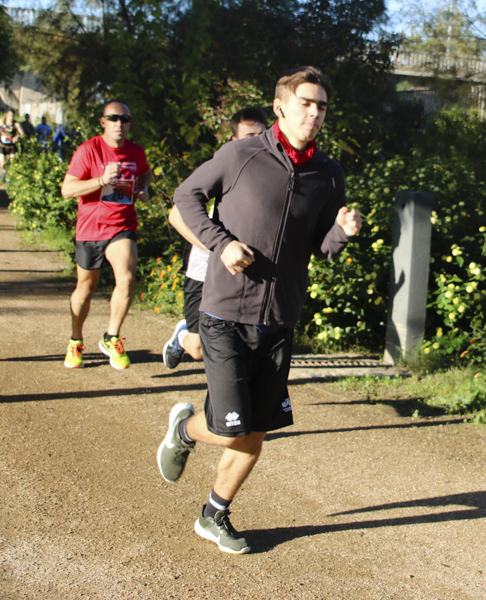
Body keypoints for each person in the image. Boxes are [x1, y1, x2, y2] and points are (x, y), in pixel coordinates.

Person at [157, 67, 363, 554]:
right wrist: (220, 243)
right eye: (306, 103)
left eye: (322, 107)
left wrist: (343, 233)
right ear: (281, 106)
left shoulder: (328, 173)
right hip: (225, 310)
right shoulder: (241, 154)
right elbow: (185, 197)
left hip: (279, 318)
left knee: (256, 433)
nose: (314, 113)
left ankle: (214, 514)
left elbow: (320, 246)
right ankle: (185, 430)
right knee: (232, 426)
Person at [162, 106, 269, 370]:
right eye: (248, 135)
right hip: (204, 267)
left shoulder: (274, 170)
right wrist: (215, 248)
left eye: (261, 134)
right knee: (197, 350)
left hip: (244, 269)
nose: (255, 141)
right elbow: (176, 215)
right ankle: (182, 335)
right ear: (234, 140)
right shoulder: (226, 163)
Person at [60, 100, 152, 370]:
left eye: (124, 119)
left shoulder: (136, 152)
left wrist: (144, 189)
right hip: (90, 229)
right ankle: (76, 340)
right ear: (103, 122)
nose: (119, 124)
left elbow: (145, 174)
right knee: (85, 288)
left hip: (122, 226)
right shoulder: (89, 150)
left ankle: (112, 337)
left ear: (130, 123)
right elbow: (68, 189)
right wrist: (100, 180)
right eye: (113, 119)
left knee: (126, 277)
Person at [0, 109, 21, 176]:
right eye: (10, 116)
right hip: (2, 145)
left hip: (11, 146)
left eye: (13, 116)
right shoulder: (2, 121)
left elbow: (22, 133)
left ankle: (10, 176)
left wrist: (17, 137)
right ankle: (4, 171)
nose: (11, 118)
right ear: (6, 115)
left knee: (13, 162)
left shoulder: (15, 124)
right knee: (2, 163)